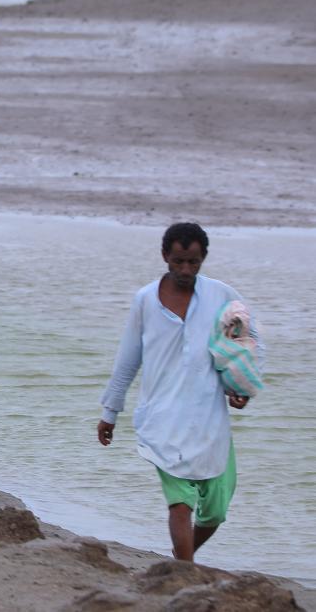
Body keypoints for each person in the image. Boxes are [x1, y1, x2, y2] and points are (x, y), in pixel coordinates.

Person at [98, 222, 263, 562]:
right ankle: (185, 573)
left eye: (193, 262)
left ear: (203, 258)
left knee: (215, 510)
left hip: (209, 420)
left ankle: (179, 562)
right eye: (178, 262)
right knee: (180, 504)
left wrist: (240, 387)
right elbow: (127, 360)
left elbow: (247, 342)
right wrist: (110, 412)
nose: (185, 270)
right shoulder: (145, 300)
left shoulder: (222, 296)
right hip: (162, 419)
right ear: (165, 257)